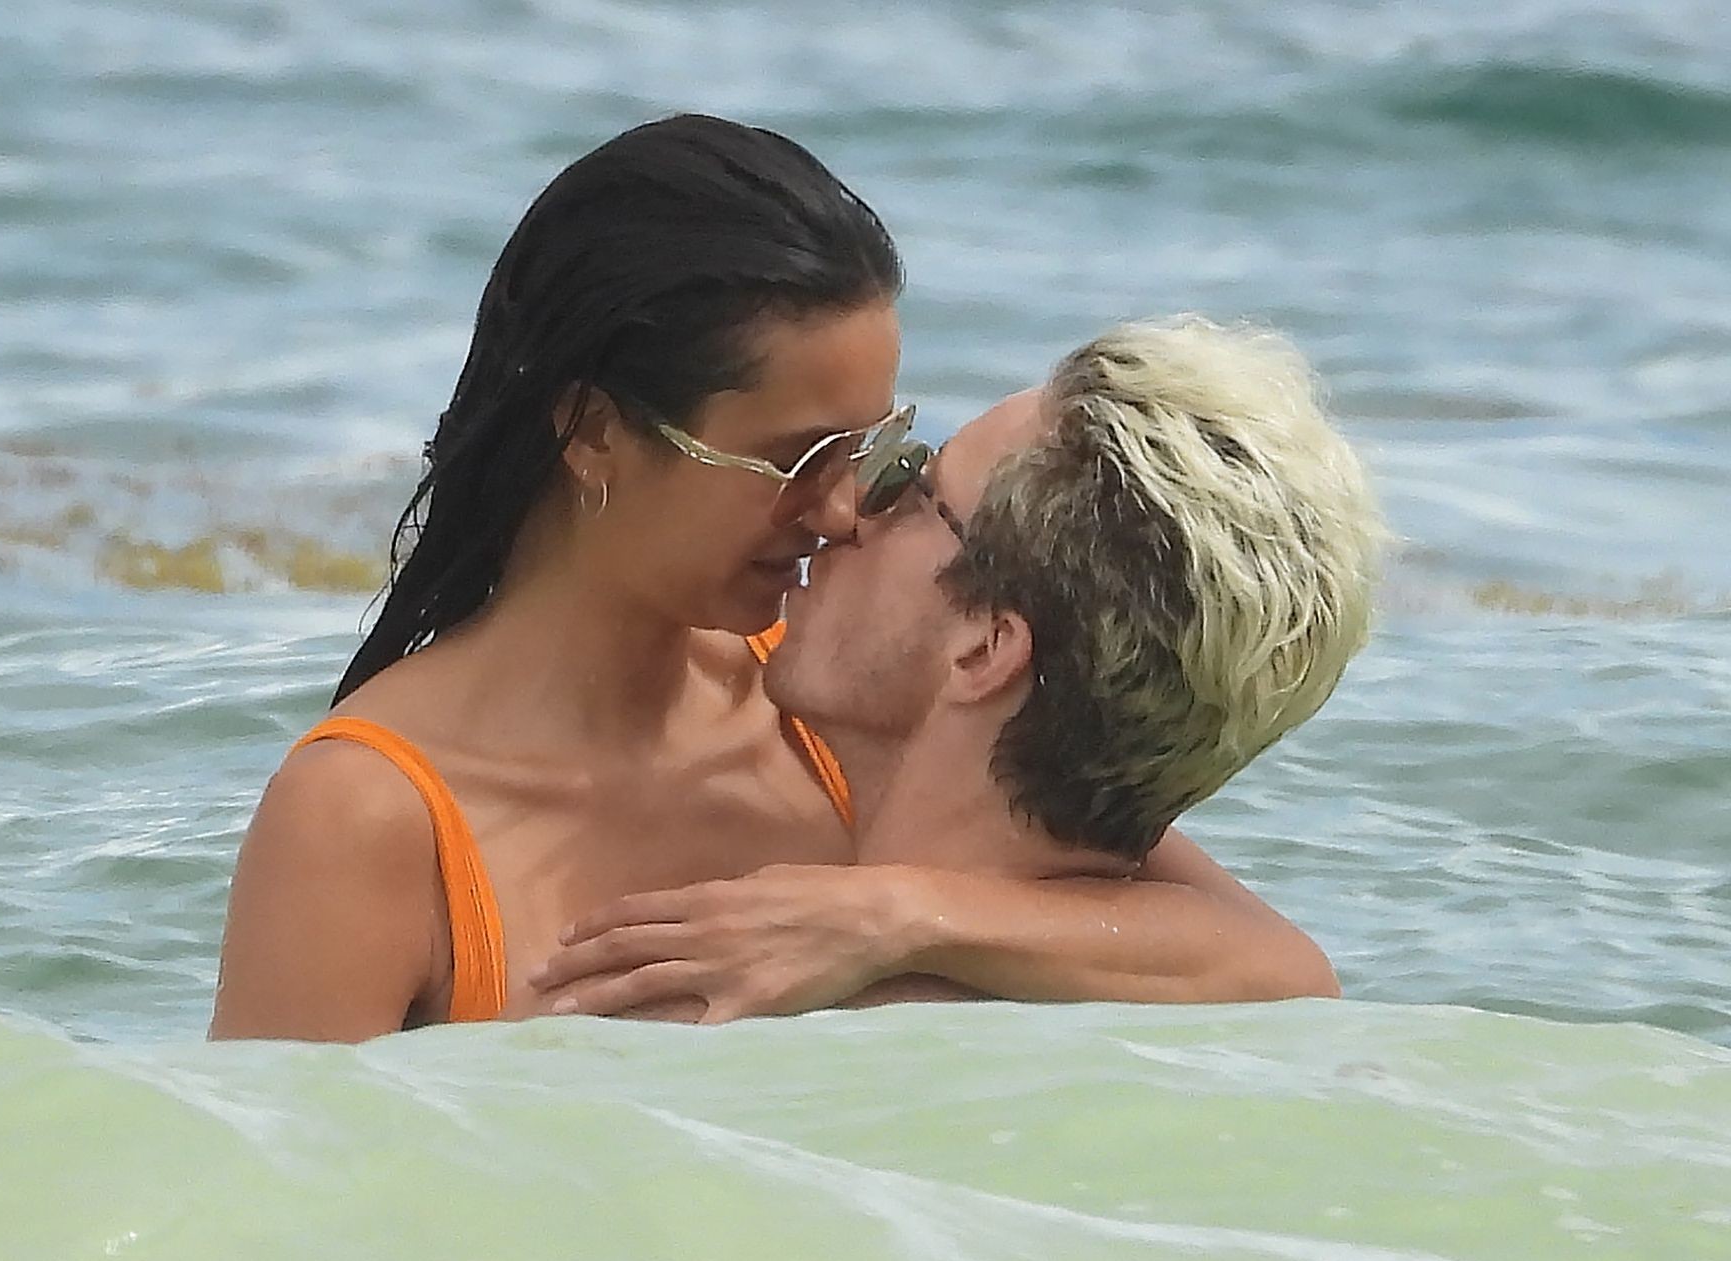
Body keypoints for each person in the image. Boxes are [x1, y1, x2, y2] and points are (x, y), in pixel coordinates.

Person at [209, 116, 1336, 1043]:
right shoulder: (368, 820)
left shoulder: (829, 708)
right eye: (800, 458)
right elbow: (265, 1205)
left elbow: (1275, 967)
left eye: (872, 449)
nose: (845, 509)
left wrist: (893, 913)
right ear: (595, 433)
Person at [529, 316, 1382, 1021]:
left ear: (984, 649)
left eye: (909, 484)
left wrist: (894, 916)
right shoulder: (1209, 1000)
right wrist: (901, 912)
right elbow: (1295, 973)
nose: (848, 511)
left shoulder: (714, 1011)